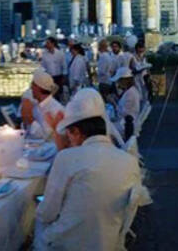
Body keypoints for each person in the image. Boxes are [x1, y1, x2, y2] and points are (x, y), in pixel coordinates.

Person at [35, 88, 147, 250]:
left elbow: (47, 213)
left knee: (37, 220)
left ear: (77, 132)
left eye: (69, 134)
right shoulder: (129, 161)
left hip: (68, 244)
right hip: (109, 243)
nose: (69, 141)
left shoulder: (67, 158)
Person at [20, 69, 64, 141]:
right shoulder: (36, 104)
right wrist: (26, 120)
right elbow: (27, 130)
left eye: (33, 85)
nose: (31, 88)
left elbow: (46, 137)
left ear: (38, 88)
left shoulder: (55, 109)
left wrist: (30, 120)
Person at [111, 67, 141, 133]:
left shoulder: (130, 93)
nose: (117, 83)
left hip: (127, 126)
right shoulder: (131, 90)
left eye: (118, 81)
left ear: (124, 80)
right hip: (127, 123)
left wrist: (113, 103)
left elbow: (123, 113)